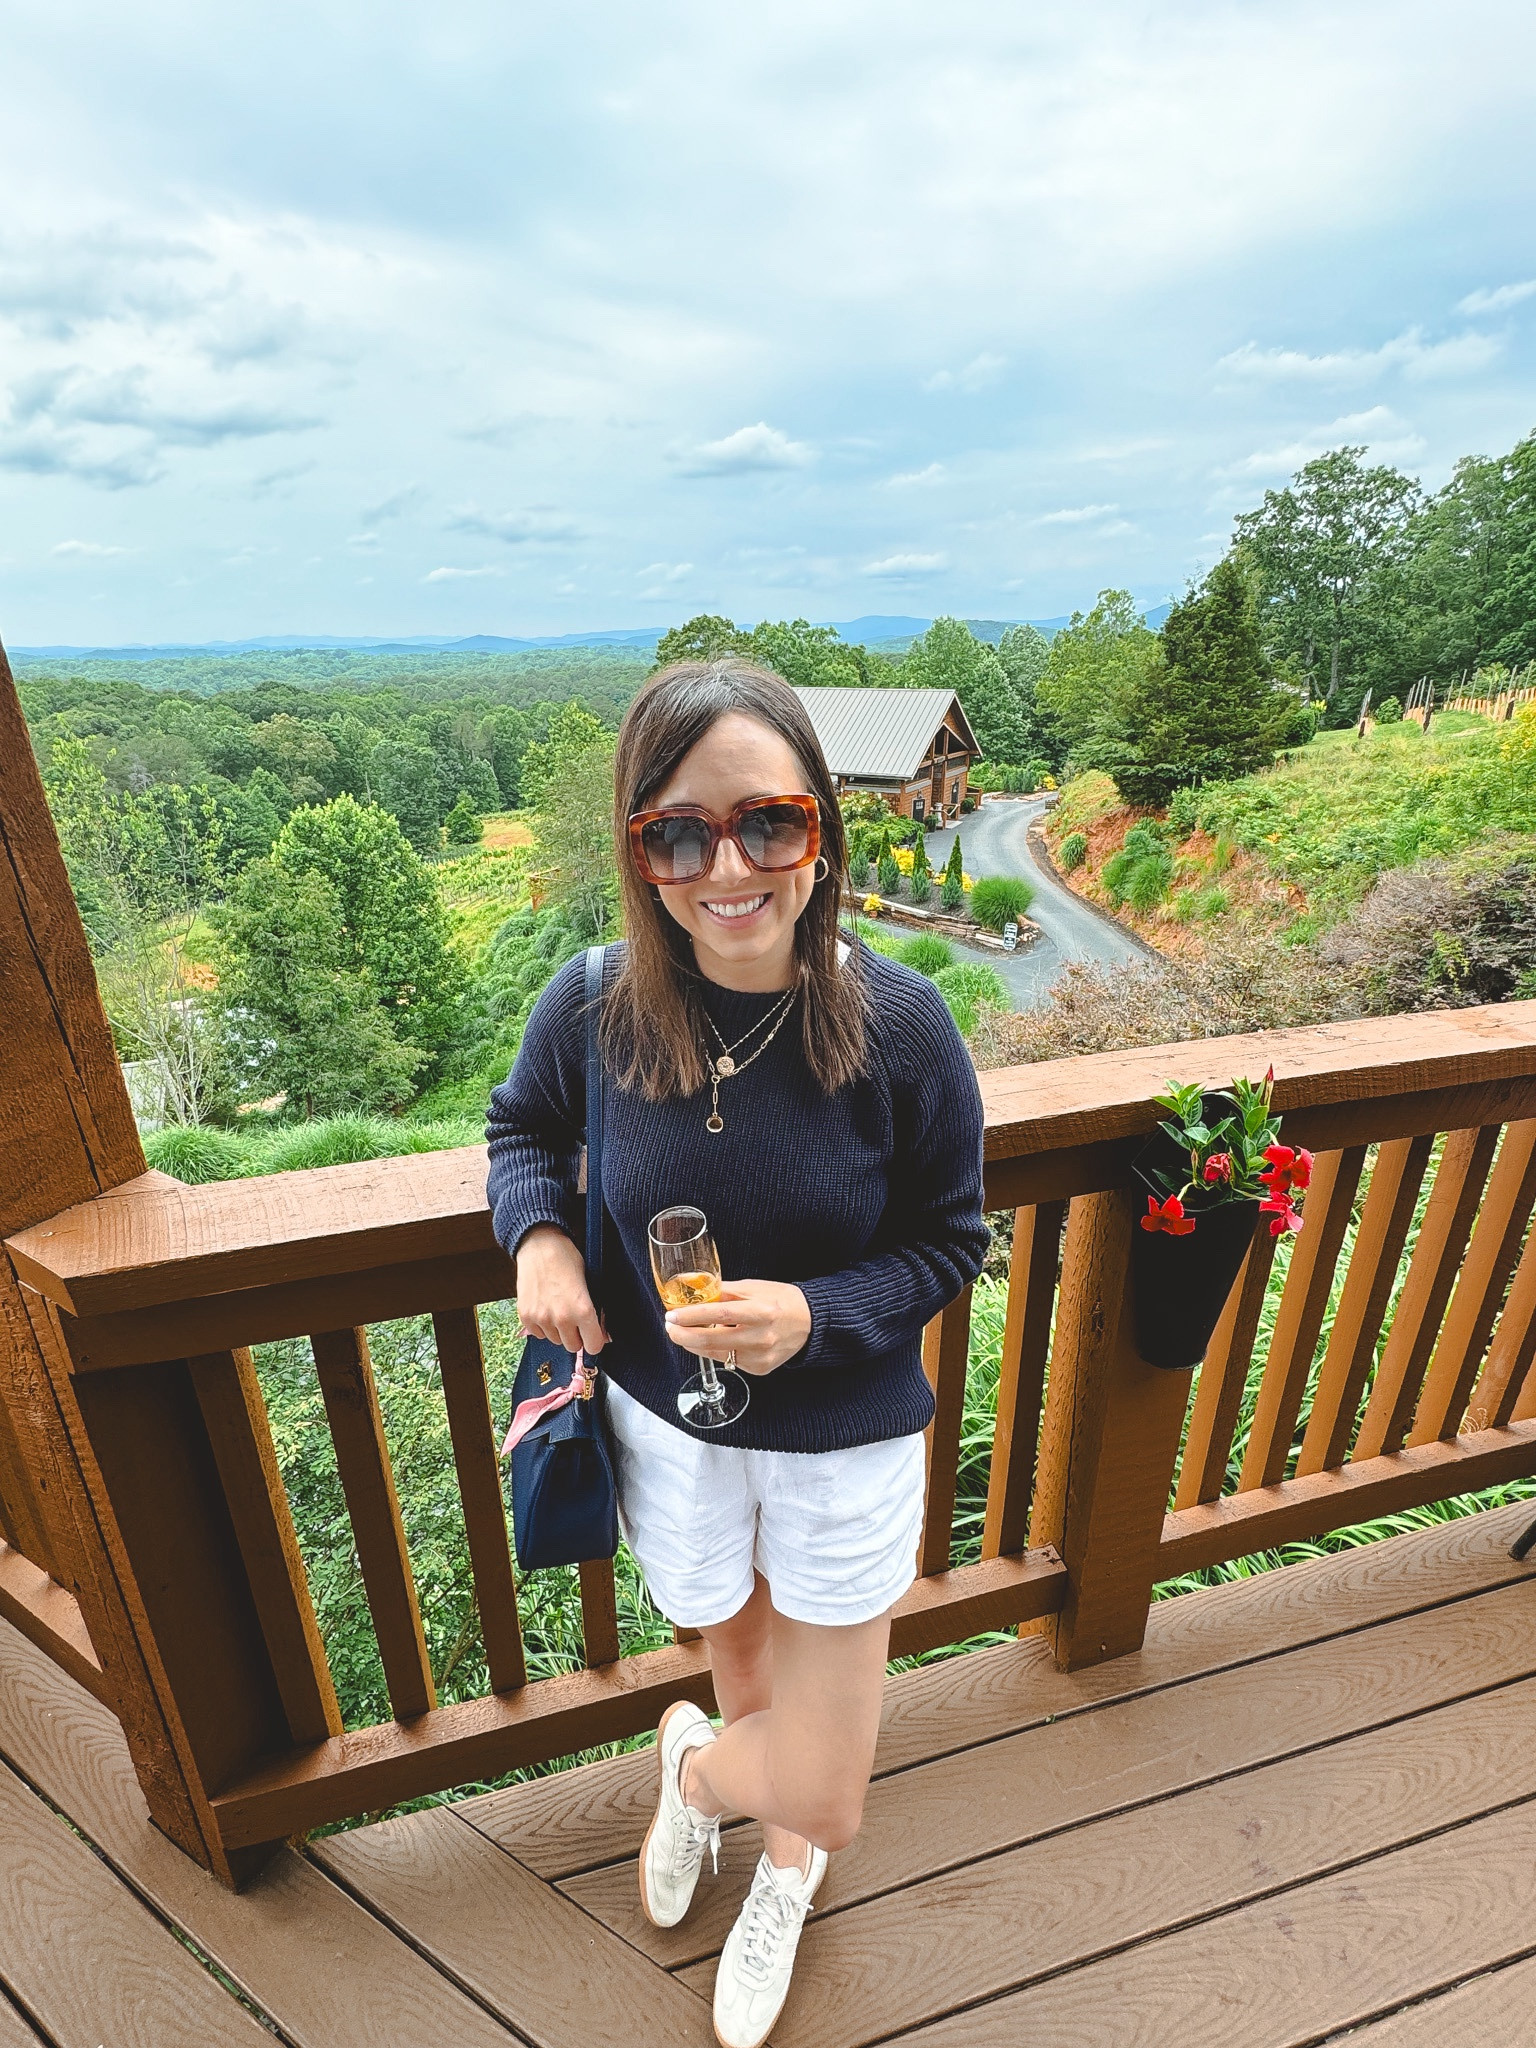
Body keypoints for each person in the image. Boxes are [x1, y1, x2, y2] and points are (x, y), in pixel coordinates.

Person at [486, 660, 986, 2048]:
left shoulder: (901, 1029)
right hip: (673, 1423)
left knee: (822, 1778)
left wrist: (814, 1316)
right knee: (747, 1665)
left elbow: (954, 1241)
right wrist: (540, 1244)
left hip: (843, 1436)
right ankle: (778, 1872)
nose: (729, 866)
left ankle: (712, 1785)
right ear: (639, 851)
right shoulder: (594, 1006)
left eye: (768, 822)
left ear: (822, 829)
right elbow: (522, 1130)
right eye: (679, 833)